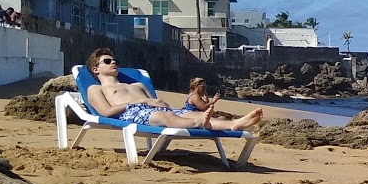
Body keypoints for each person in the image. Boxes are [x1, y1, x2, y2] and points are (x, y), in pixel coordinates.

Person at [83, 49, 263, 132]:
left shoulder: (137, 85)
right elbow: (106, 112)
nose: (113, 63)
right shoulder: (96, 88)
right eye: (107, 61)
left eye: (115, 61)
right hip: (130, 113)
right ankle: (202, 122)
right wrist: (142, 101)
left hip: (156, 110)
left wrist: (155, 103)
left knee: (187, 115)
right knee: (167, 118)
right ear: (95, 70)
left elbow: (156, 103)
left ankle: (234, 124)